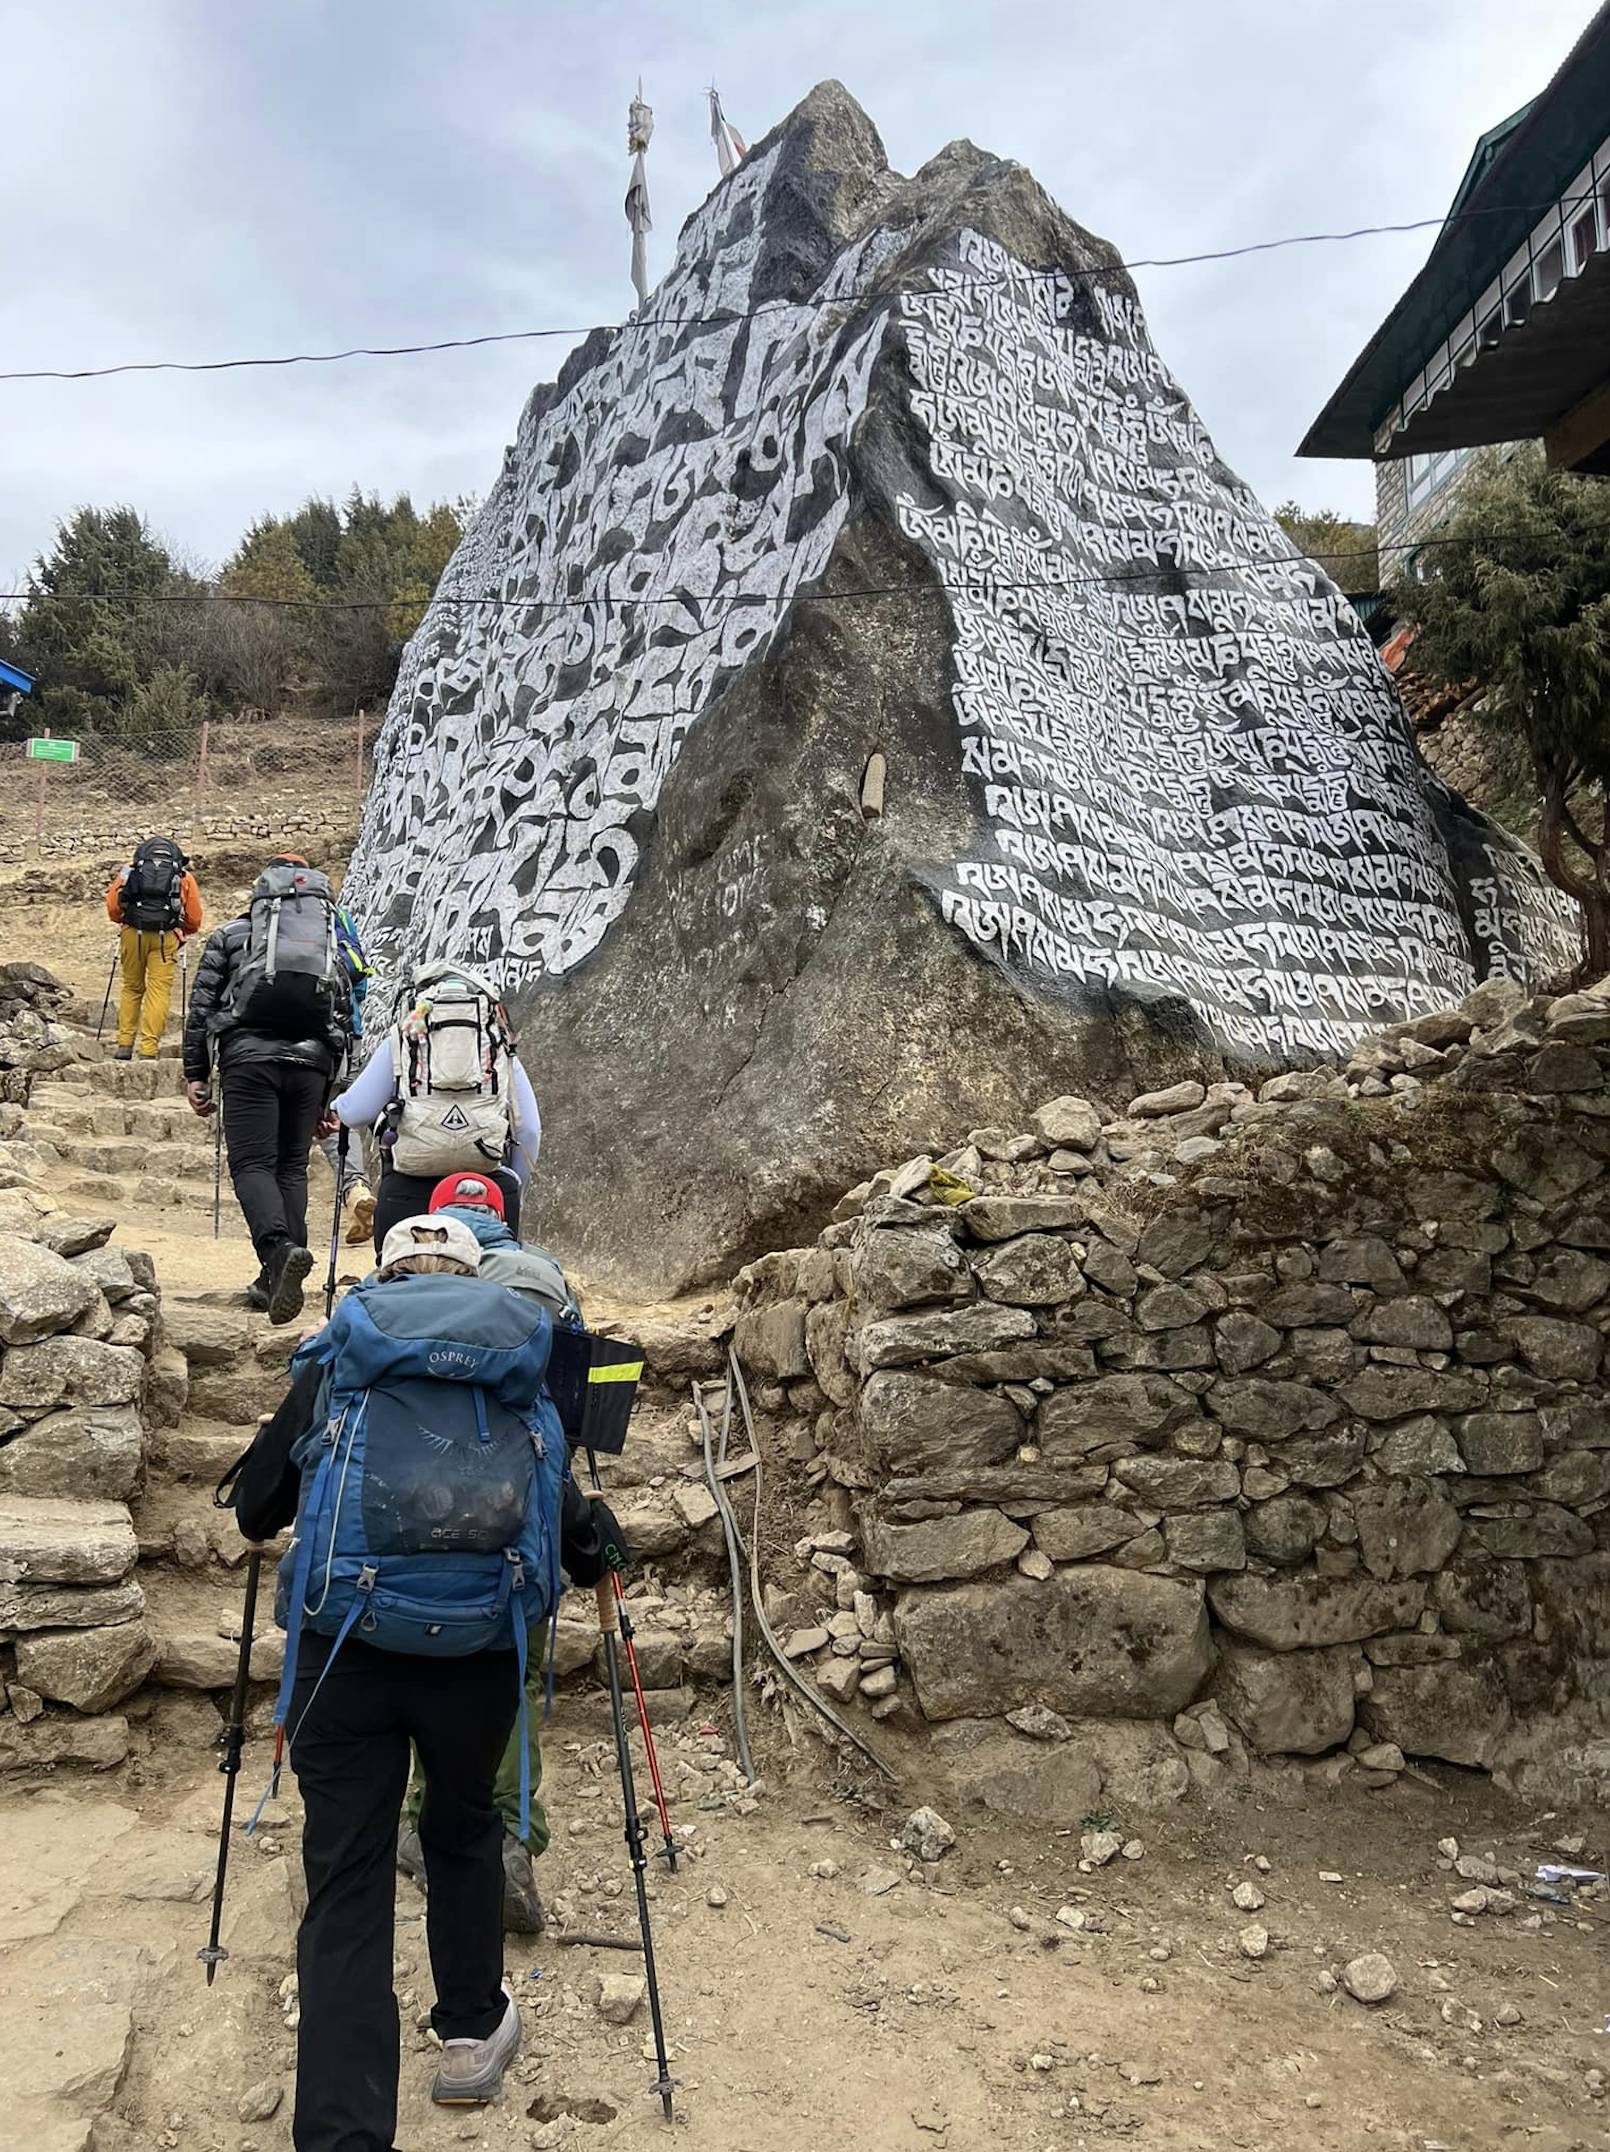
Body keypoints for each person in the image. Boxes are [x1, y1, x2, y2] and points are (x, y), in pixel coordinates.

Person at [228, 1215, 625, 2152]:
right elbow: (568, 1528)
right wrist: (599, 1540)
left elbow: (255, 1513)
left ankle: (343, 2132)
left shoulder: (341, 1356)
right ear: (474, 1278)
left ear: (388, 1273)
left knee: (348, 1876)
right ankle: (471, 2034)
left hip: (344, 1652)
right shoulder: (518, 1362)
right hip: (477, 1651)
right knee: (462, 1826)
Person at [393, 1171, 580, 1931]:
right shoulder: (547, 1278)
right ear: (504, 1218)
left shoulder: (400, 1284)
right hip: (520, 1514)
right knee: (514, 1672)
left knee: (416, 1660)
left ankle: (420, 1821)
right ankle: (508, 1832)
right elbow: (571, 1402)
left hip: (412, 1513)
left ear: (436, 1221)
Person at [182, 854, 351, 1323]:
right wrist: (331, 1097)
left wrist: (197, 1073)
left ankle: (278, 1252)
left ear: (262, 893)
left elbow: (201, 1010)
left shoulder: (231, 936)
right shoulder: (327, 942)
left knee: (252, 1164)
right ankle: (274, 1277)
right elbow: (343, 1019)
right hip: (312, 1064)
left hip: (249, 1061)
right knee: (291, 1168)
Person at [332, 961, 541, 1256]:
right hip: (486, 1196)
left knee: (398, 1277)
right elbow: (529, 1130)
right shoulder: (500, 1050)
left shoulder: (403, 1041)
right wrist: (512, 1192)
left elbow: (355, 1113)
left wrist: (335, 1106)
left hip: (408, 1196)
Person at [313, 902, 379, 1246]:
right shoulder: (337, 916)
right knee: (337, 1115)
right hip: (343, 1033)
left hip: (282, 1039)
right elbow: (359, 981)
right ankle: (355, 1189)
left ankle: (281, 1212)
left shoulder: (267, 913)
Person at [104, 837, 203, 1060]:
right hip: (165, 937)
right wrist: (183, 930)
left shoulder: (129, 870)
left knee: (132, 988)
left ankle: (124, 1045)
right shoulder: (184, 877)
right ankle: (148, 1050)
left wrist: (123, 921)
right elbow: (195, 917)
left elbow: (113, 905)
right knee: (158, 992)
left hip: (132, 933)